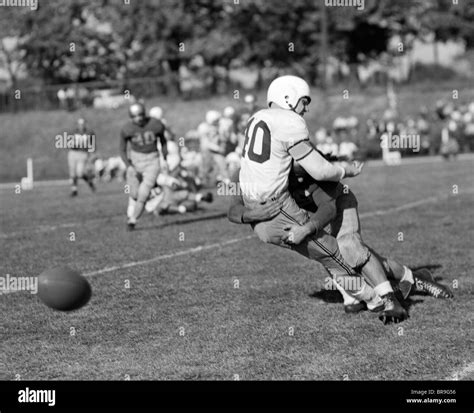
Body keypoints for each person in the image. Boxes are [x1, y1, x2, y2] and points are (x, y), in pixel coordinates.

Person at [234, 75, 406, 324]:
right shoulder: (289, 122)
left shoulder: (256, 119)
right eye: (304, 101)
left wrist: (249, 214)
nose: (306, 107)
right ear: (288, 98)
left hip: (259, 214)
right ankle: (383, 298)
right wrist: (346, 169)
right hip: (276, 208)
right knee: (339, 255)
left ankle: (368, 297)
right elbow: (321, 171)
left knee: (333, 255)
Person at [120, 103, 168, 231]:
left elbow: (163, 141)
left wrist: (165, 157)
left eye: (140, 115)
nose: (139, 118)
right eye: (135, 116)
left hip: (152, 160)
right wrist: (128, 165)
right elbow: (122, 149)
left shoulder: (156, 124)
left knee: (143, 194)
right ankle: (155, 191)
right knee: (134, 194)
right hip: (135, 160)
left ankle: (132, 220)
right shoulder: (127, 128)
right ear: (131, 117)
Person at [67, 118, 96, 197]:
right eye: (79, 124)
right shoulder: (73, 132)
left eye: (82, 124)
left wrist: (92, 153)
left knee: (80, 173)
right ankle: (74, 190)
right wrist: (72, 143)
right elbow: (68, 142)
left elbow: (92, 144)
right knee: (73, 173)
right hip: (73, 153)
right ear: (77, 125)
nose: (81, 126)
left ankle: (89, 182)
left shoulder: (89, 132)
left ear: (84, 124)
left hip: (83, 153)